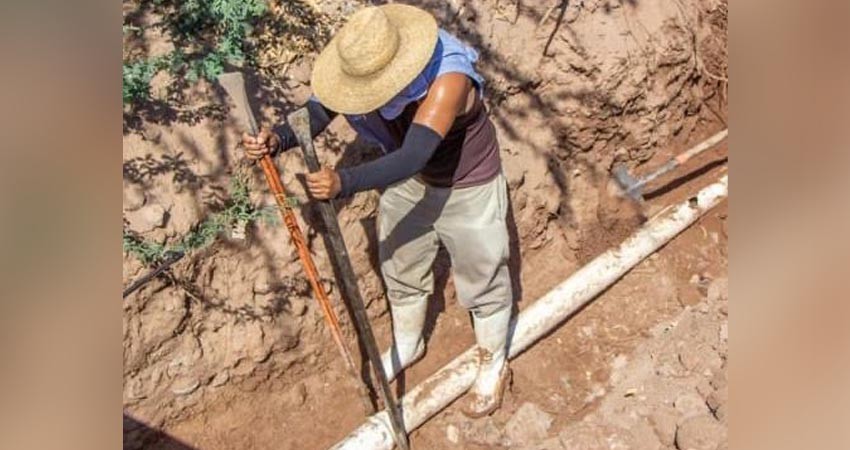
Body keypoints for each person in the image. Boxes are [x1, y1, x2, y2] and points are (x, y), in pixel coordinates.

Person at [242, 3, 513, 418]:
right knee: (400, 260)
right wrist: (278, 138)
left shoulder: (448, 79)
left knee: (483, 272)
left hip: (466, 182)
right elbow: (318, 110)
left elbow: (414, 154)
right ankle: (408, 344)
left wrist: (344, 182)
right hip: (412, 183)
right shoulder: (362, 68)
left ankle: (493, 360)